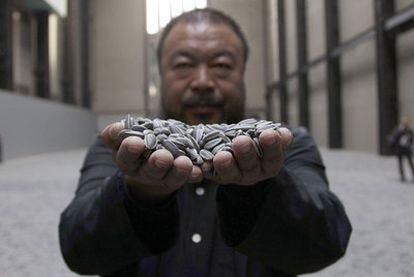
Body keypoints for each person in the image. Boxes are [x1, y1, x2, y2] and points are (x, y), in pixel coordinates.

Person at [59, 8, 352, 277]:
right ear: (161, 74)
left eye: (221, 65)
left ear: (243, 74)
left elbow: (328, 241)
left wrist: (261, 189)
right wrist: (139, 194)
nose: (202, 81)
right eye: (184, 65)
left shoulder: (287, 144)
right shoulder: (118, 147)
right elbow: (78, 250)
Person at [388, 117, 414, 182]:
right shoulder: (398, 130)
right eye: (404, 123)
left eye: (407, 123)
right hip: (400, 149)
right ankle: (402, 176)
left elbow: (411, 140)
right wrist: (400, 131)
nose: (405, 125)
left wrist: (409, 139)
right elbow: (395, 138)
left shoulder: (410, 130)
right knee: (400, 163)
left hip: (407, 149)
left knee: (410, 163)